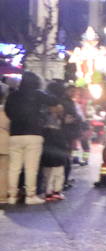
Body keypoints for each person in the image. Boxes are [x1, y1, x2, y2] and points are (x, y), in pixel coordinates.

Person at [6, 72, 55, 203]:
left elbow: (8, 111)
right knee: (31, 168)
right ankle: (30, 196)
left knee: (14, 167)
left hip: (15, 134)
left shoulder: (13, 95)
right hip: (33, 133)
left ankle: (11, 196)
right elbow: (53, 101)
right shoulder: (38, 94)